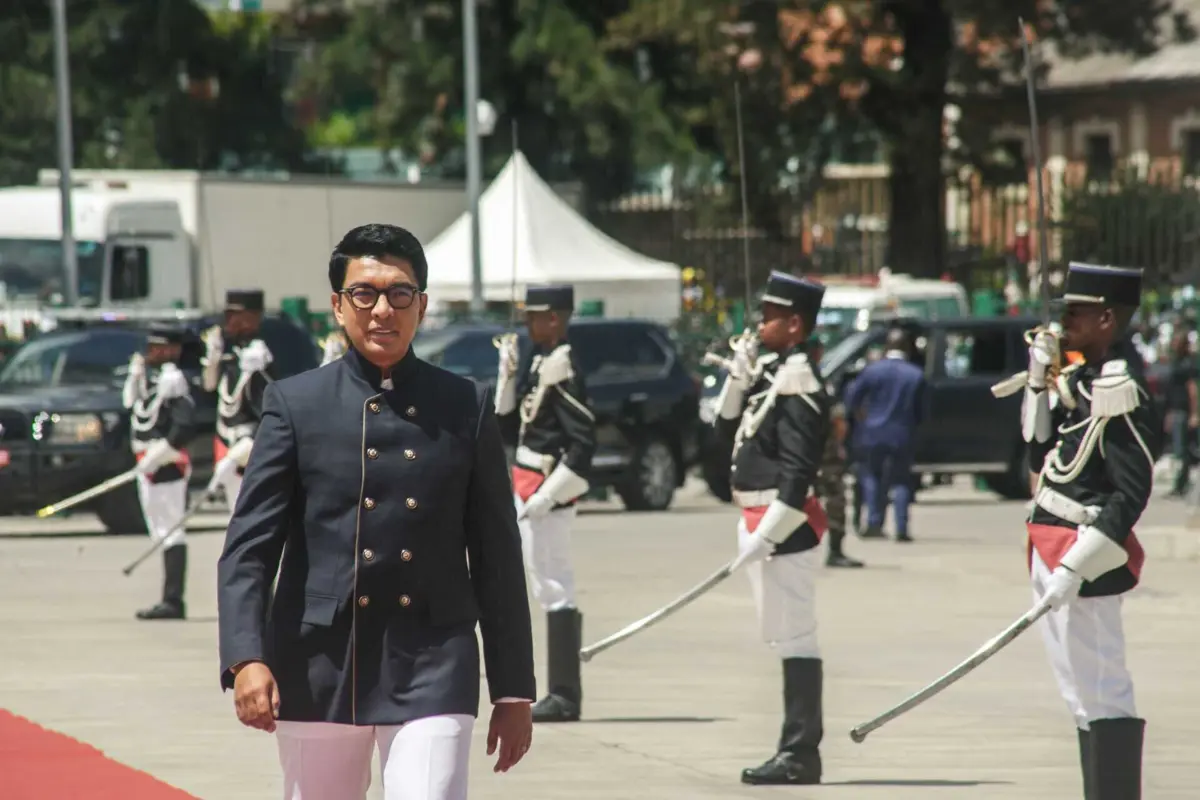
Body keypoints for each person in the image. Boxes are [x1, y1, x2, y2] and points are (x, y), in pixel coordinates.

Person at [217, 223, 535, 800]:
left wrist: (513, 690)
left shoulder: (466, 404)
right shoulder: (295, 404)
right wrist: (245, 658)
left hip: (433, 660)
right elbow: (250, 548)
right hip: (318, 663)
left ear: (423, 305)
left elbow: (496, 553)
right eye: (364, 293)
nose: (382, 309)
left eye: (399, 293)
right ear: (338, 306)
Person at [1020, 262, 1161, 799]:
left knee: (1104, 692)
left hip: (1084, 556)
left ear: (1106, 318)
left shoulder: (1120, 390)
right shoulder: (1079, 382)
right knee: (1078, 695)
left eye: (1074, 313)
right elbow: (1037, 452)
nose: (1062, 324)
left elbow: (1131, 494)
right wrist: (1038, 381)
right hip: (1050, 545)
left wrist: (1074, 566)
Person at [712, 271, 831, 786]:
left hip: (784, 526)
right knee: (782, 638)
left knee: (797, 636)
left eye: (769, 317)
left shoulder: (799, 379)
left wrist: (771, 533)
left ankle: (801, 752)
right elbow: (720, 435)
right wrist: (737, 380)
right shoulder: (770, 372)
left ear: (795, 324)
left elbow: (800, 468)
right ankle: (793, 747)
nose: (759, 324)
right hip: (758, 519)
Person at [494, 284, 597, 723]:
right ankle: (560, 690)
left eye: (536, 316)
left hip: (545, 489)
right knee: (546, 583)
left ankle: (564, 693)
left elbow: (582, 443)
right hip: (527, 481)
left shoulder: (564, 366)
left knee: (555, 583)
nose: (529, 324)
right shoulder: (542, 363)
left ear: (555, 318)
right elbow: (506, 428)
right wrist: (505, 377)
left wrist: (547, 494)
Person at [122, 323, 197, 620]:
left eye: (157, 347)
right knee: (160, 530)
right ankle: (169, 598)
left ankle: (173, 600)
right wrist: (134, 376)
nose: (150, 353)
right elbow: (133, 407)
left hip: (165, 465)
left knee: (171, 531)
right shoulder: (150, 380)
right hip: (147, 463)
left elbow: (184, 425)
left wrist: (160, 452)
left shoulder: (172, 380)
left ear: (172, 350)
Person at [844, 327, 926, 542]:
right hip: (902, 433)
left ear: (887, 347)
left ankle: (874, 523)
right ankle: (901, 527)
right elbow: (921, 410)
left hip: (872, 432)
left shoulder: (872, 371)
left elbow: (853, 399)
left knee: (871, 476)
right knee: (900, 480)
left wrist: (861, 418)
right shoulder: (915, 375)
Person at [201, 289, 274, 510]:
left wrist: (237, 455)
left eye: (235, 316)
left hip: (247, 451)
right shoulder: (232, 355)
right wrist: (212, 360)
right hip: (226, 444)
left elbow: (270, 415)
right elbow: (210, 387)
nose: (228, 321)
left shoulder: (259, 358)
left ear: (252, 319)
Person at [809, 335, 863, 568]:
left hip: (800, 451)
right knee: (835, 499)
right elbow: (836, 418)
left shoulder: (790, 374)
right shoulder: (817, 378)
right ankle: (835, 550)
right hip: (823, 452)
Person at [1164, 329, 1197, 497]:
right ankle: (1180, 483)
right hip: (1175, 410)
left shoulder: (1187, 365)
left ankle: (1182, 483)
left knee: (1182, 449)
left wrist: (1194, 414)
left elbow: (1192, 390)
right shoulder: (1176, 362)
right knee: (1178, 449)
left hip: (1183, 412)